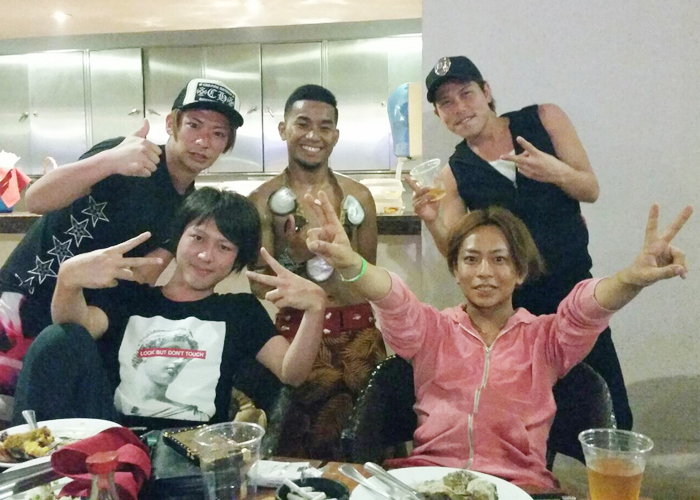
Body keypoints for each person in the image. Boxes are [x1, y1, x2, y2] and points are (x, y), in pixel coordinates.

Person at [294, 190, 691, 489]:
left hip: (520, 487)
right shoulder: (431, 330)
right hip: (426, 482)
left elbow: (584, 309)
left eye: (499, 259)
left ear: (520, 272)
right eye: (471, 259)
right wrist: (352, 263)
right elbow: (393, 299)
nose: (484, 271)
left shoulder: (547, 339)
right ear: (456, 270)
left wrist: (630, 280)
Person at [0, 78, 244, 425]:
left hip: (81, 320)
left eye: (218, 134)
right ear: (171, 123)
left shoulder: (188, 209)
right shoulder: (127, 153)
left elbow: (144, 274)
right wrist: (110, 160)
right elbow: (38, 199)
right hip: (21, 297)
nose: (203, 141)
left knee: (45, 427)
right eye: (194, 125)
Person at [410, 55, 633, 430]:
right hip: (515, 312)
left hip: (575, 294)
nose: (459, 108)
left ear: (486, 92)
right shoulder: (454, 173)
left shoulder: (544, 118)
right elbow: (458, 252)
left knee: (611, 419)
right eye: (446, 103)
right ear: (438, 114)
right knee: (528, 423)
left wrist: (555, 171)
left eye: (466, 94)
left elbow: (590, 189)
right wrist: (432, 221)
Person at [12, 187, 327, 430]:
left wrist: (316, 308)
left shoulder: (239, 310)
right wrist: (68, 280)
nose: (206, 256)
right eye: (198, 238)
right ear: (177, 239)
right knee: (53, 339)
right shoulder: (133, 298)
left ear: (237, 259)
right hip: (118, 443)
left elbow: (291, 373)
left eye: (224, 247)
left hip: (195, 455)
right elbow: (71, 330)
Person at [248, 84, 385, 459]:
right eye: (303, 123)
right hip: (299, 342)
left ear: (335, 136)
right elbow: (258, 282)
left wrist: (339, 259)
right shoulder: (261, 201)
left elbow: (371, 280)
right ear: (284, 129)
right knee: (296, 457)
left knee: (369, 453)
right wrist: (293, 257)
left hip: (361, 339)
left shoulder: (360, 197)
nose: (314, 135)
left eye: (325, 127)